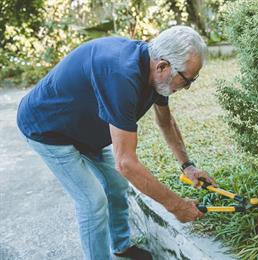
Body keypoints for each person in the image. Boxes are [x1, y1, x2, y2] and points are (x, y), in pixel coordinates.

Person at [17, 25, 217, 260]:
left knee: (117, 185)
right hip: (48, 129)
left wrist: (188, 166)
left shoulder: (156, 70)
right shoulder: (122, 75)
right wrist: (177, 206)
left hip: (84, 131)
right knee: (93, 202)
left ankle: (121, 245)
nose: (187, 88)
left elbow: (165, 122)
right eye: (187, 81)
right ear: (163, 66)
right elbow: (126, 164)